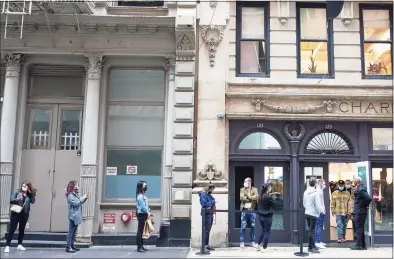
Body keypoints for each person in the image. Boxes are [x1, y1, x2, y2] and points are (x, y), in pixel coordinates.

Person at [4, 181, 37, 253]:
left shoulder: (29, 195)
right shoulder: (17, 192)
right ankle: (7, 246)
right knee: (12, 229)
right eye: (23, 186)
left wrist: (31, 194)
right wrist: (17, 199)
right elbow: (11, 201)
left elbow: (33, 201)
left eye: (25, 186)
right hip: (16, 213)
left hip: (24, 214)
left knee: (21, 230)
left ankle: (19, 245)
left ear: (28, 187)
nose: (23, 187)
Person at [65, 180, 88, 253]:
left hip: (76, 215)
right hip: (73, 216)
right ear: (73, 186)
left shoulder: (75, 194)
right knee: (71, 232)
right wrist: (83, 198)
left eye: (78, 185)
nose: (78, 187)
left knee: (74, 232)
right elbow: (76, 203)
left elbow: (80, 202)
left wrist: (84, 198)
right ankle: (68, 247)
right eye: (76, 185)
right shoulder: (70, 195)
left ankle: (72, 245)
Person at [303, 177, 324, 254]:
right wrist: (321, 211)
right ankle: (310, 247)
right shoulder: (316, 193)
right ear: (315, 184)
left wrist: (308, 209)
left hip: (307, 213)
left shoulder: (305, 192)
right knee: (312, 230)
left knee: (310, 230)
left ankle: (313, 245)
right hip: (313, 214)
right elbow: (318, 205)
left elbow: (304, 203)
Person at [351, 176, 372, 250]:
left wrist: (364, 206)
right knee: (360, 228)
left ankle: (359, 245)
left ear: (357, 182)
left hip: (360, 212)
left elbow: (369, 198)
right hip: (360, 211)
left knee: (358, 228)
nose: (354, 183)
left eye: (354, 181)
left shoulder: (361, 189)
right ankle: (363, 245)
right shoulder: (360, 188)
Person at [239, 177, 258, 248]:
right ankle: (241, 241)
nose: (244, 182)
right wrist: (251, 198)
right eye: (244, 181)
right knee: (243, 226)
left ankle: (252, 241)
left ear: (249, 182)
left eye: (246, 181)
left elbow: (256, 198)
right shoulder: (242, 189)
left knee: (253, 226)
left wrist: (247, 197)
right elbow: (241, 198)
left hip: (252, 210)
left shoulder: (255, 189)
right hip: (244, 210)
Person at [256, 183, 274, 252]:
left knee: (263, 230)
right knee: (267, 232)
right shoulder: (269, 197)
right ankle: (264, 248)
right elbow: (274, 206)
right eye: (270, 187)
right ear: (268, 189)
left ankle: (258, 245)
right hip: (268, 216)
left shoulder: (259, 196)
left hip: (261, 216)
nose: (271, 188)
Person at [198, 183, 216, 254]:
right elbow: (204, 204)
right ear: (209, 188)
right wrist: (212, 202)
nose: (212, 190)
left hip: (210, 213)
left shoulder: (208, 194)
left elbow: (211, 202)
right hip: (206, 214)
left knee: (208, 230)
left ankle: (206, 245)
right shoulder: (203, 194)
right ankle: (203, 246)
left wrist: (212, 202)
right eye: (212, 189)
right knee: (206, 230)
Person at [136, 181, 150, 253]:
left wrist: (148, 211)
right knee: (140, 231)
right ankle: (139, 247)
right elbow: (142, 207)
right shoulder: (140, 196)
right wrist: (147, 212)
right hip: (142, 214)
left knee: (141, 231)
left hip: (144, 214)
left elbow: (146, 205)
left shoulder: (143, 195)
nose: (146, 186)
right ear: (141, 187)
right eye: (145, 185)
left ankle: (141, 246)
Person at [315, 179, 326, 249]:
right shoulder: (318, 191)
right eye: (324, 184)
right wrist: (322, 211)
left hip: (320, 212)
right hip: (320, 212)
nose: (324, 185)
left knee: (319, 226)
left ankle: (318, 241)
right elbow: (319, 203)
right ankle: (318, 242)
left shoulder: (319, 191)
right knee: (319, 227)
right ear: (320, 184)